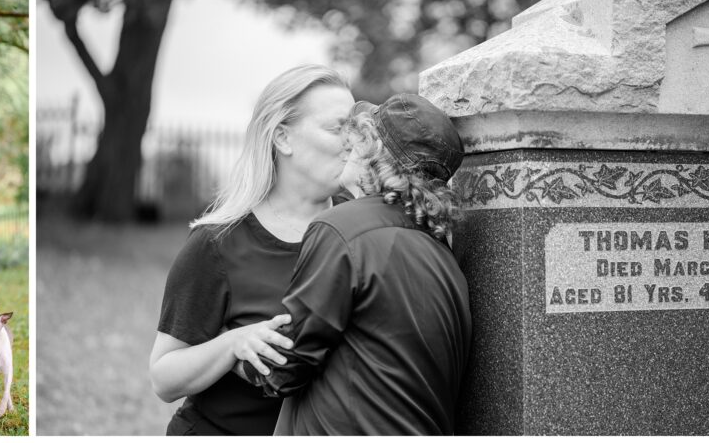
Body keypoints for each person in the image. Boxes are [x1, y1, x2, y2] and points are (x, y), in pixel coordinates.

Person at [241, 94, 472, 435]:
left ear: (372, 149)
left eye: (358, 137)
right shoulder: (444, 255)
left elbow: (286, 365)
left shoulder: (341, 228)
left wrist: (235, 349)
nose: (347, 146)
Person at [148, 64, 355, 435]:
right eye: (336, 128)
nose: (352, 142)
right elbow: (163, 377)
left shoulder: (363, 231)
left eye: (355, 128)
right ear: (282, 138)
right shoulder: (217, 243)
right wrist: (233, 344)